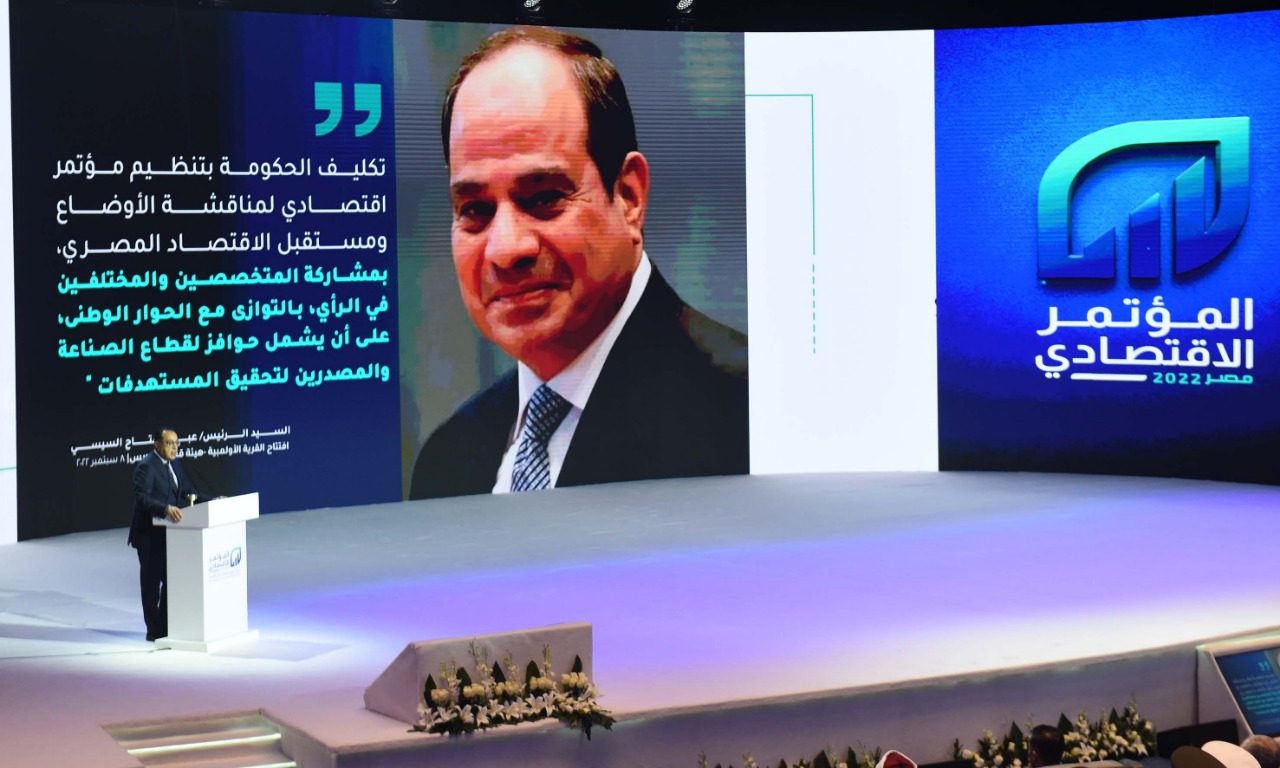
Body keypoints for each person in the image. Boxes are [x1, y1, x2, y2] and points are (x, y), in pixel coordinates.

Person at [409, 26, 748, 499]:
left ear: (628, 197)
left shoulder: (749, 416)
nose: (506, 249)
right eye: (475, 210)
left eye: (544, 198)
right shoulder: (448, 461)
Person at [128, 428, 211, 641]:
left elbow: (188, 491)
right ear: (157, 445)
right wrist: (165, 509)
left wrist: (212, 501)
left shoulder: (174, 464)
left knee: (170, 580)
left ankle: (165, 627)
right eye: (169, 443)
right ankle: (153, 631)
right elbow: (142, 498)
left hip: (170, 534)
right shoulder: (146, 466)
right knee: (151, 584)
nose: (175, 448)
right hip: (148, 534)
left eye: (176, 443)